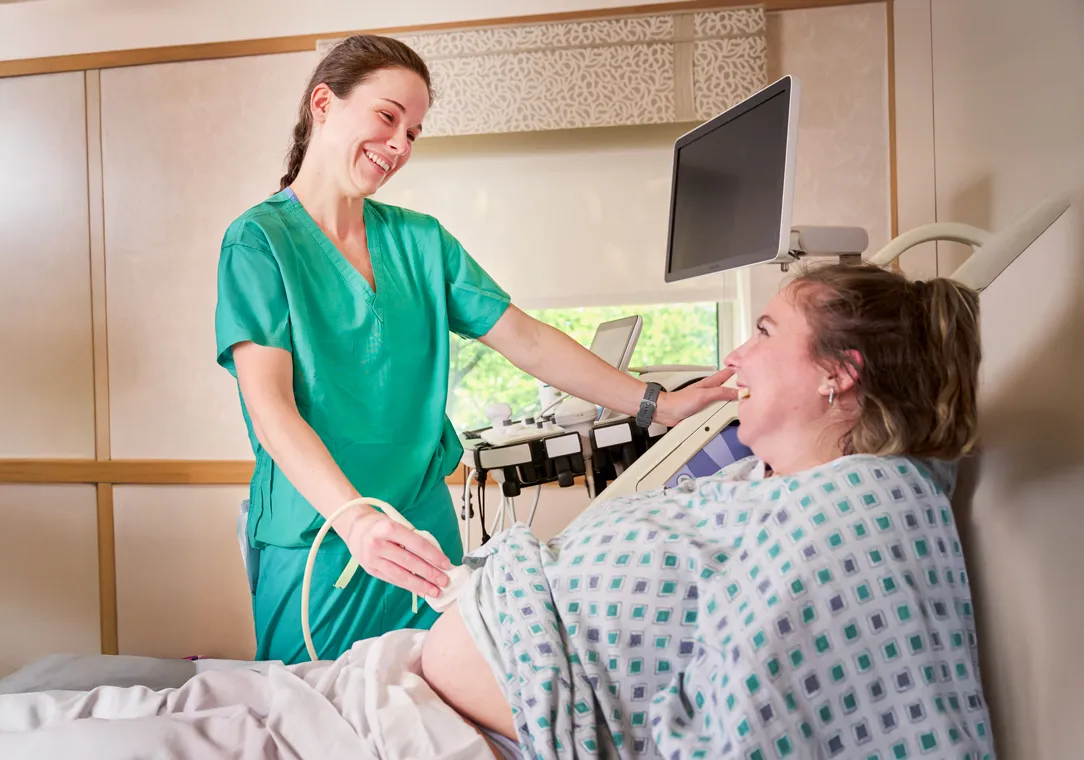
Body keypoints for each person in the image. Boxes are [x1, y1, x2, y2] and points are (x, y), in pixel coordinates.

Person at [213, 34, 736, 665]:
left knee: (441, 710)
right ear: (323, 104)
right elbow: (271, 409)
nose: (400, 146)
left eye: (414, 132)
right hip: (321, 538)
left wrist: (655, 405)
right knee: (318, 721)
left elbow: (527, 339)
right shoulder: (259, 242)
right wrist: (355, 523)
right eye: (387, 117)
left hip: (423, 527)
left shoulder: (420, 241)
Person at [419, 261, 995, 759]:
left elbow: (742, 716)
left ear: (837, 373)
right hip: (463, 682)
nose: (734, 355)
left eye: (764, 333)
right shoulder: (766, 480)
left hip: (491, 719)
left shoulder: (847, 516)